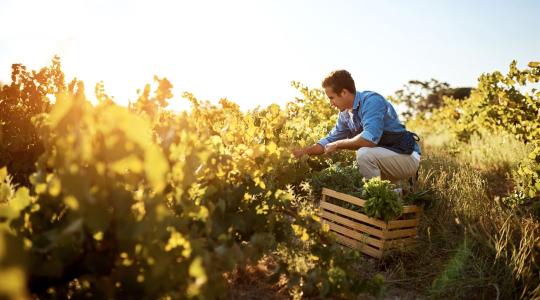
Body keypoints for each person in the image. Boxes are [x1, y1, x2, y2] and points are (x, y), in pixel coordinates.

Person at [292, 70, 421, 185]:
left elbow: (369, 140)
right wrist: (303, 152)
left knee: (364, 155)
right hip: (385, 158)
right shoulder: (345, 115)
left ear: (344, 92)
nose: (331, 103)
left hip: (406, 156)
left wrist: (338, 144)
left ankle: (377, 196)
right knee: (361, 170)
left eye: (332, 98)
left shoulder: (371, 101)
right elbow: (328, 141)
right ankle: (393, 195)